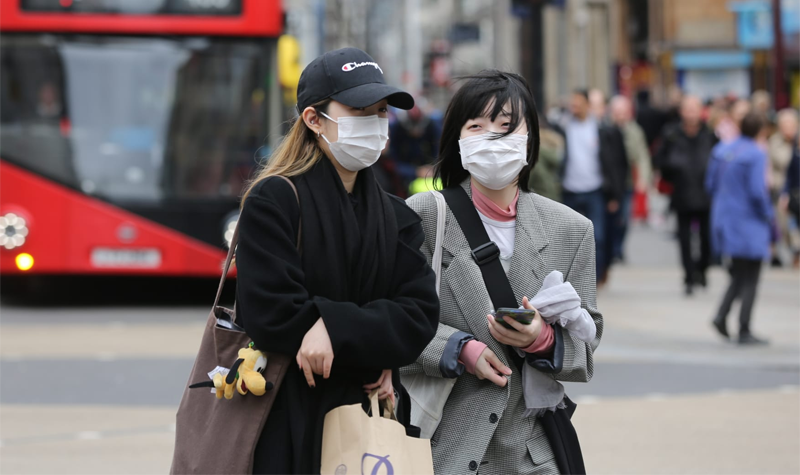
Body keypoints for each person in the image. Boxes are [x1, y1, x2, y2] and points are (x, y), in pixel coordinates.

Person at [234, 47, 439, 474]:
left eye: (381, 111)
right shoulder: (274, 200)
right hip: (286, 415)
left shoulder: (396, 214)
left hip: (368, 420)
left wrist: (331, 326)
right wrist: (372, 344)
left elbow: (418, 315)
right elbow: (269, 312)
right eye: (360, 109)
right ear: (314, 119)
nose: (376, 123)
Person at [404, 70, 602, 475]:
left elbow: (587, 344)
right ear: (457, 140)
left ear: (529, 141)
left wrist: (543, 340)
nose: (492, 138)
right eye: (476, 126)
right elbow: (394, 319)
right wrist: (459, 349)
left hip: (531, 455)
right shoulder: (424, 216)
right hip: (440, 447)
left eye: (506, 126)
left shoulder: (572, 229)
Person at [707, 113, 773, 345]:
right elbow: (757, 190)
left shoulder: (723, 150)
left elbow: (710, 183)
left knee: (738, 273)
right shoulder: (756, 154)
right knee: (752, 275)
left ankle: (722, 315)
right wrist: (768, 214)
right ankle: (744, 327)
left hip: (724, 218)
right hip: (748, 221)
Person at [558, 89, 627, 282]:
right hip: (569, 191)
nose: (575, 107)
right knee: (569, 239)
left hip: (595, 191)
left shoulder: (602, 130)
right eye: (572, 104)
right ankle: (573, 279)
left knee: (598, 237)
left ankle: (594, 279)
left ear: (587, 105)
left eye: (579, 103)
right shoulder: (563, 128)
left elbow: (616, 164)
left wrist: (615, 195)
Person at [655, 95, 718, 295]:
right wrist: (672, 171)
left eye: (694, 109)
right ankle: (689, 276)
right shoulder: (671, 133)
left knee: (706, 238)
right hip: (682, 192)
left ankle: (703, 269)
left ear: (701, 111)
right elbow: (660, 160)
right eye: (687, 109)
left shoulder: (710, 134)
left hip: (706, 193)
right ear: (681, 111)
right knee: (684, 238)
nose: (691, 113)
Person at [609, 95, 652, 262]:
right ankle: (612, 249)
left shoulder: (634, 131)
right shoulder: (605, 129)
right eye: (617, 112)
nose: (620, 116)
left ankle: (619, 248)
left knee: (625, 218)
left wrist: (643, 178)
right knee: (611, 219)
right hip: (610, 183)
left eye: (623, 112)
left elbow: (642, 156)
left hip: (627, 182)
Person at [768, 109, 800, 265]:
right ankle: (793, 250)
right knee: (784, 224)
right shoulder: (774, 142)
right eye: (784, 123)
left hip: (797, 187)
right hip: (782, 188)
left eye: (791, 123)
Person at [529, 116, 565, 202]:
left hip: (540, 196)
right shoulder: (556, 143)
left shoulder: (537, 151)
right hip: (555, 195)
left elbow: (531, 178)